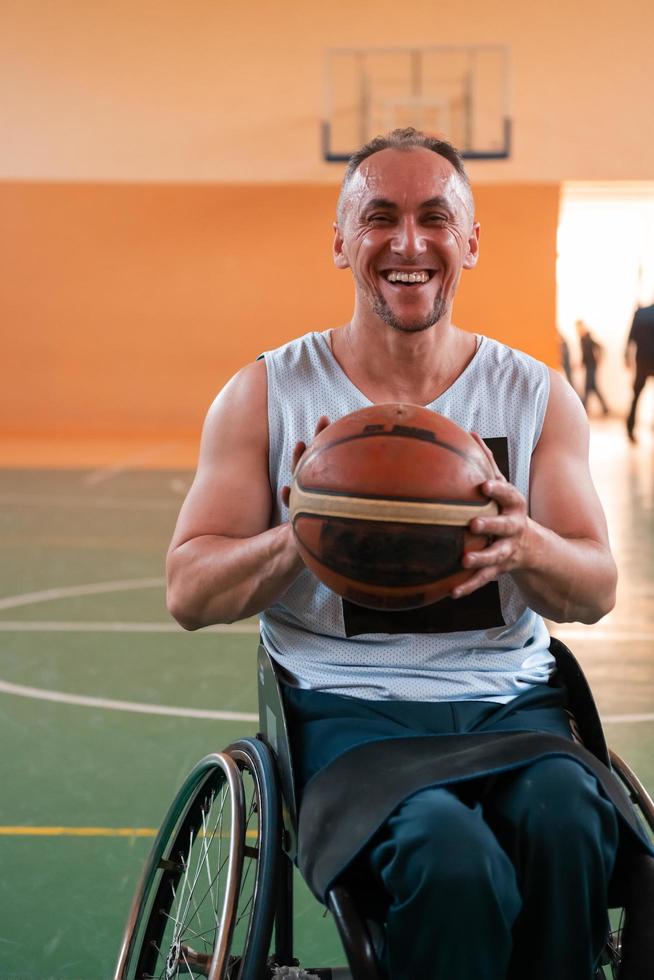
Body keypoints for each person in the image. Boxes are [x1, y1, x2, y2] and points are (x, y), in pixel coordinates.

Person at [167, 129, 632, 980]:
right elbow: (189, 592)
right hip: (348, 710)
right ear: (341, 241)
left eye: (435, 218)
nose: (409, 243)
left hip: (510, 704)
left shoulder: (534, 395)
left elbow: (596, 588)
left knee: (571, 823)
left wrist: (525, 543)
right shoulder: (268, 393)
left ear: (471, 242)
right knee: (449, 858)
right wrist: (302, 538)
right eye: (379, 217)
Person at [625, 302, 654, 442]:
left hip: (642, 359)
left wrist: (626, 358)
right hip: (646, 359)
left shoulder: (641, 313)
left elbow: (631, 338)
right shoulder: (641, 312)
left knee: (636, 395)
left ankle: (629, 427)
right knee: (636, 395)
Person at [576, 319, 610, 415]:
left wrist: (600, 358)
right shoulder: (582, 338)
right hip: (588, 365)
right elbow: (585, 353)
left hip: (592, 365)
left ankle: (583, 407)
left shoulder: (587, 337)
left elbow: (599, 346)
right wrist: (581, 362)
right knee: (593, 387)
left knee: (588, 386)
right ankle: (605, 408)